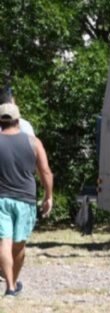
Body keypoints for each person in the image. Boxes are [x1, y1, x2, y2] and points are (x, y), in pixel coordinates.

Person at [0, 102, 53, 296]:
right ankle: (12, 284)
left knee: (4, 242)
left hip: (1, 199)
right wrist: (48, 196)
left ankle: (10, 286)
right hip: (25, 199)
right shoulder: (34, 142)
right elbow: (45, 172)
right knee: (19, 244)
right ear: (18, 120)